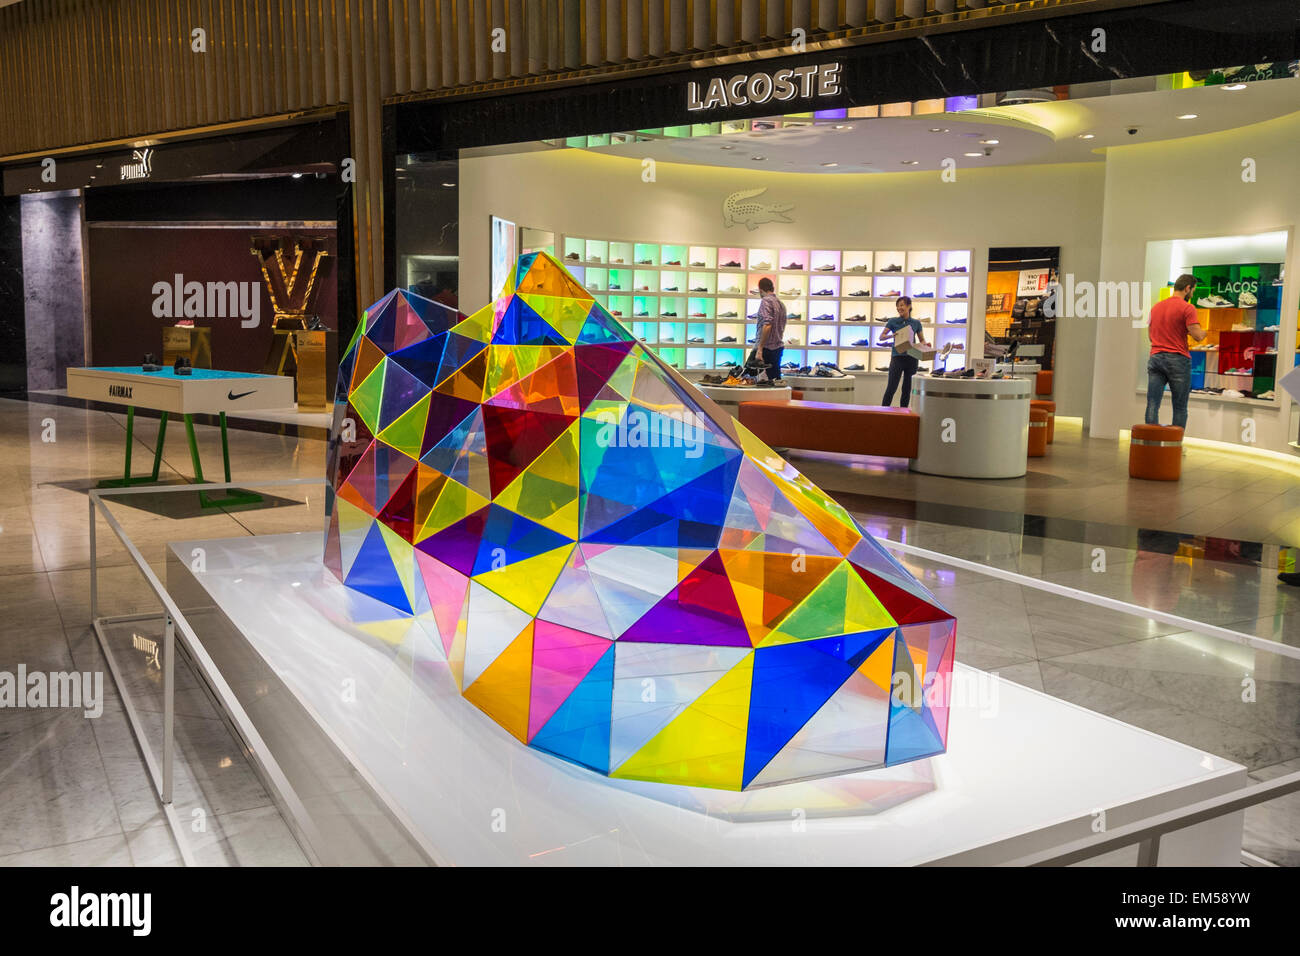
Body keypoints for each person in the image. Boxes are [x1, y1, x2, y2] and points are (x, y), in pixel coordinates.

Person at [1146, 273, 1206, 429]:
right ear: (1188, 288)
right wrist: (1205, 332)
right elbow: (1198, 336)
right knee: (1179, 407)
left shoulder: (1156, 307)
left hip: (1155, 358)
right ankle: (1174, 445)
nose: (1192, 294)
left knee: (1153, 403)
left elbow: (1150, 336)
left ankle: (1150, 443)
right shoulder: (1188, 308)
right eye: (1193, 290)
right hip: (1177, 359)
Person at [882, 296, 925, 407]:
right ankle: (882, 412)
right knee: (891, 387)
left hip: (912, 358)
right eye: (897, 305)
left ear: (909, 306)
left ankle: (904, 414)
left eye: (901, 305)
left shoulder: (916, 323)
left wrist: (924, 345)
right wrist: (892, 335)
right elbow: (881, 337)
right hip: (897, 357)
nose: (899, 308)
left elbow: (922, 340)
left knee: (907, 389)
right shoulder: (893, 321)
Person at [753, 277, 787, 382]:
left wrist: (760, 348)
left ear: (760, 290)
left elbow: (767, 325)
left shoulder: (766, 301)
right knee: (775, 381)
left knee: (748, 378)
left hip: (767, 348)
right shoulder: (780, 303)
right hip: (778, 346)